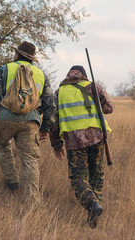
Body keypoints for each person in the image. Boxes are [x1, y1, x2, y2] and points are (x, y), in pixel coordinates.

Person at [0, 41, 56, 206]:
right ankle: (32, 202)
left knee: (1, 144)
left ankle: (12, 181)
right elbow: (50, 105)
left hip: (5, 119)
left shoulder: (5, 69)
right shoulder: (41, 75)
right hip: (30, 121)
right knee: (30, 159)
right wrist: (45, 128)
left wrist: (1, 110)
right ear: (32, 59)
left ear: (17, 54)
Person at [49, 65, 115, 228]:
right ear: (83, 75)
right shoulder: (94, 86)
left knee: (79, 178)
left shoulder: (59, 92)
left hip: (74, 141)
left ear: (69, 75)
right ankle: (95, 210)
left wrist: (57, 144)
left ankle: (92, 206)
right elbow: (109, 108)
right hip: (96, 137)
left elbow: (53, 120)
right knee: (97, 175)